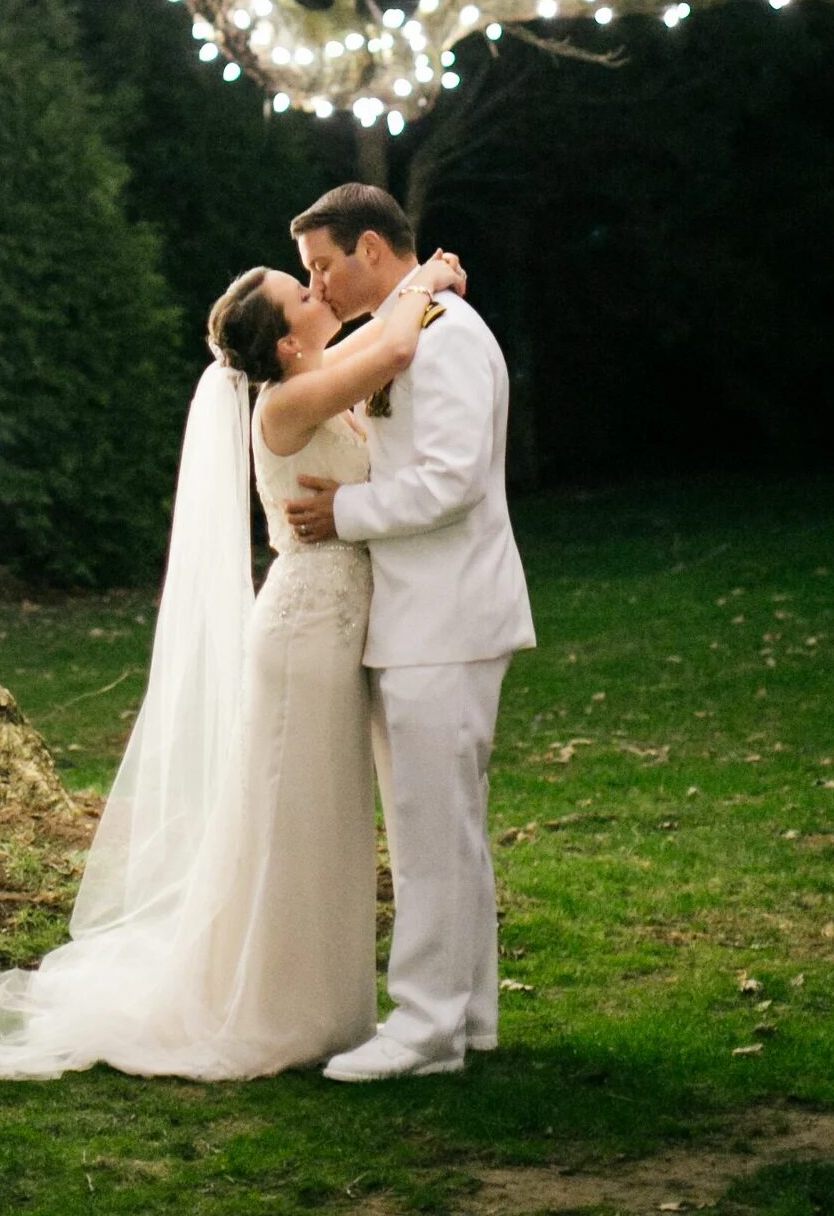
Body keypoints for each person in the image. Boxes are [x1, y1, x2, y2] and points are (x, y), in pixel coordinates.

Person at [0, 238, 467, 1080]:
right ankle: (277, 1009)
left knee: (326, 816)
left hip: (337, 624)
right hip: (307, 632)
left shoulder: (315, 373)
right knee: (298, 817)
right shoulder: (286, 406)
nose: (322, 289)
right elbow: (394, 343)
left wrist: (397, 289)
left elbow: (374, 338)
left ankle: (320, 1004)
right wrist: (426, 279)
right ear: (287, 343)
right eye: (305, 290)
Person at [286, 182, 535, 1081]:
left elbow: (453, 480)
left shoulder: (449, 339)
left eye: (324, 265)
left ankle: (424, 1028)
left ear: (373, 251)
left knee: (432, 833)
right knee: (446, 829)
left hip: (449, 617)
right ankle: (466, 1020)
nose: (318, 287)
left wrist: (345, 512)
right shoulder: (411, 323)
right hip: (425, 618)